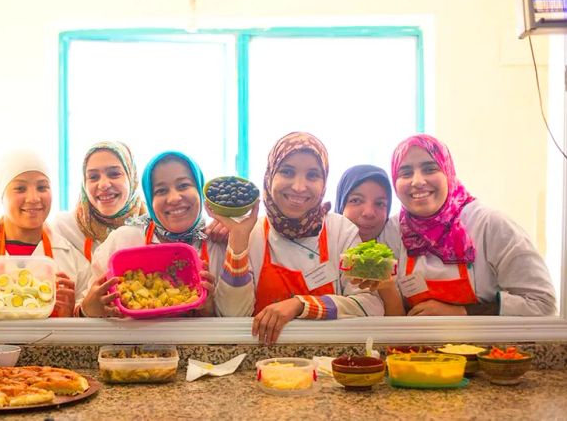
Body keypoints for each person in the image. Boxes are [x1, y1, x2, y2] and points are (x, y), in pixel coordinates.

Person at [209, 132, 384, 344]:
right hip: (261, 361)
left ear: (324, 181)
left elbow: (371, 305)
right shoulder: (252, 232)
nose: (299, 187)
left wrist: (302, 305)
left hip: (328, 361)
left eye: (312, 175)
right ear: (270, 175)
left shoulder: (342, 231)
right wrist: (238, 240)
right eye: (287, 171)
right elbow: (232, 315)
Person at [388, 134, 556, 316]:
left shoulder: (490, 225)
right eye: (405, 173)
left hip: (489, 343)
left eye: (430, 169)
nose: (418, 181)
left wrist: (461, 312)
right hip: (415, 343)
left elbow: (542, 304)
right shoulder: (393, 231)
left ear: (448, 173)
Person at [78, 151, 249, 317]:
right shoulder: (122, 241)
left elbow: (238, 317)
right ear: (149, 199)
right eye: (161, 190)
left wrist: (209, 309)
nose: (174, 198)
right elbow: (85, 313)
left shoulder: (219, 242)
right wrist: (87, 310)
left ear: (199, 189)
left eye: (183, 185)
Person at [0, 149, 91, 318]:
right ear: (1, 195)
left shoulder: (73, 260)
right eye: (20, 188)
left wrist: (70, 315)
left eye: (42, 187)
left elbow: (86, 329)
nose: (33, 198)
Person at [52, 141, 147, 262]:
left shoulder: (152, 227)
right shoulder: (65, 229)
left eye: (114, 174)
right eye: (93, 177)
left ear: (131, 177)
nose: (103, 185)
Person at [334, 164, 405, 315]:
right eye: (356, 200)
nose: (369, 213)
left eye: (379, 204)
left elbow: (396, 330)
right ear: (341, 204)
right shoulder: (325, 243)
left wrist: (388, 288)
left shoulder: (394, 252)